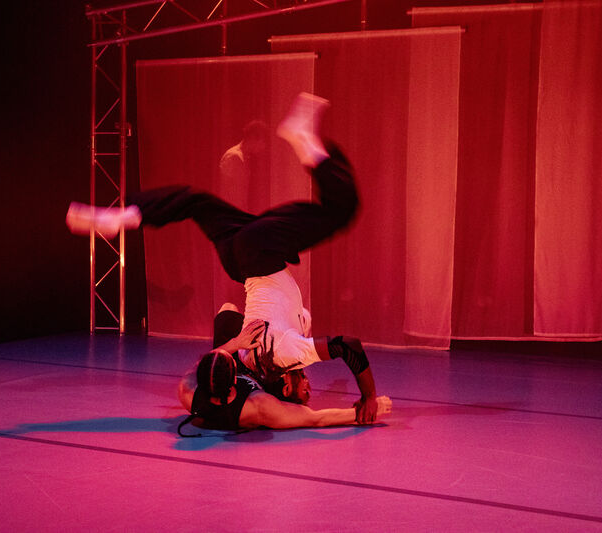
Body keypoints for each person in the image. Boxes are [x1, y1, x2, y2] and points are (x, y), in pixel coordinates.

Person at [67, 93, 383, 425]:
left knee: (341, 210)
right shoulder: (251, 359)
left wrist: (368, 397)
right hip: (238, 259)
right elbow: (226, 314)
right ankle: (126, 217)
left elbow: (348, 345)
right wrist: (234, 344)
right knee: (196, 201)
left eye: (302, 389)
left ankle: (305, 141)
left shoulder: (288, 354)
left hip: (258, 253)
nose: (308, 384)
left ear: (284, 384)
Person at [175, 303, 391, 434]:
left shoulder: (187, 390)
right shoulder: (259, 407)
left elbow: (205, 362)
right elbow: (316, 419)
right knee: (303, 317)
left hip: (234, 366)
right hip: (263, 377)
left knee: (228, 309)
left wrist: (236, 343)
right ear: (233, 381)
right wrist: (366, 411)